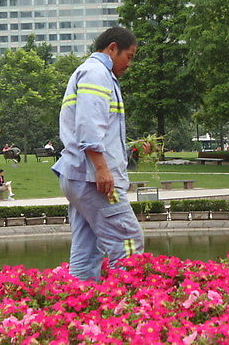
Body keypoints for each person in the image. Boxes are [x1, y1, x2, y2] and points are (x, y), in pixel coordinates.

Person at [52, 26, 146, 280]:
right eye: (130, 56)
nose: (129, 64)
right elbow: (89, 126)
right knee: (128, 240)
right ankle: (129, 304)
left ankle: (82, 303)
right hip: (92, 178)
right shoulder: (96, 73)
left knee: (87, 247)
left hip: (76, 174)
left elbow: (93, 128)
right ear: (112, 48)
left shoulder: (91, 73)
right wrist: (102, 168)